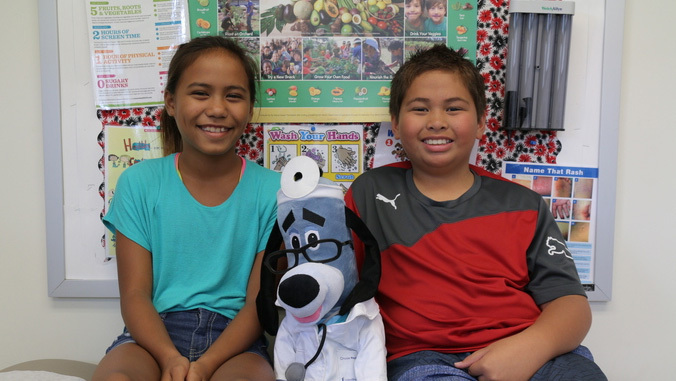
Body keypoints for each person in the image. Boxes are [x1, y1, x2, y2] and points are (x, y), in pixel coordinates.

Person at [345, 45, 606, 380]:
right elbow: (335, 281)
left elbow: (571, 305)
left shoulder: (522, 204)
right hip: (421, 359)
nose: (437, 122)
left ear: (482, 122)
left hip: (529, 348)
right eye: (420, 109)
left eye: (453, 108)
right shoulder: (370, 192)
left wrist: (530, 348)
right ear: (395, 123)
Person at [93, 36, 279, 381]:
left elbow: (258, 302)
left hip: (236, 343)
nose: (218, 108)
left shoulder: (274, 191)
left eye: (234, 95)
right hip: (151, 337)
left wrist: (205, 366)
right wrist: (169, 358)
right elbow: (135, 295)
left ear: (250, 107)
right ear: (171, 102)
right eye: (200, 93)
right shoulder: (139, 183)